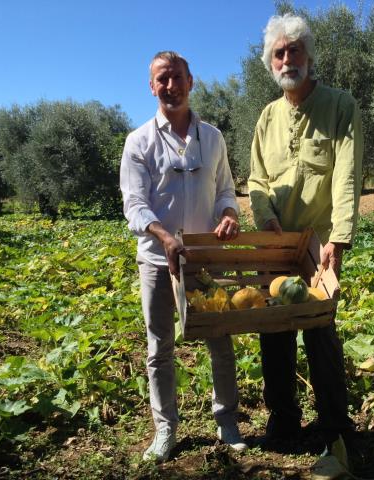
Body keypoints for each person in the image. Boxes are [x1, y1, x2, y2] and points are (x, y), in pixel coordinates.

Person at [248, 13, 363, 473]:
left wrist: (339, 236)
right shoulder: (266, 117)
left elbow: (347, 174)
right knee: (274, 329)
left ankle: (334, 423)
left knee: (320, 328)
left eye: (294, 49)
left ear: (309, 56)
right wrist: (266, 219)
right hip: (277, 245)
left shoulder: (340, 106)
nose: (287, 58)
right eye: (279, 52)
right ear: (270, 62)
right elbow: (256, 178)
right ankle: (284, 419)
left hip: (319, 244)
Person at [120, 51, 247, 463]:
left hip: (207, 259)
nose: (170, 86)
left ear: (191, 83)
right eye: (162, 79)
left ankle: (227, 421)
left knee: (219, 339)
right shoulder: (138, 142)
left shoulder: (212, 137)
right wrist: (164, 237)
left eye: (177, 78)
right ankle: (165, 429)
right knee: (159, 347)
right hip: (158, 262)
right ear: (151, 86)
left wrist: (228, 213)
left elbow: (227, 189)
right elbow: (134, 205)